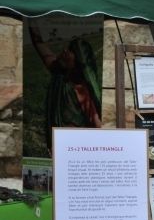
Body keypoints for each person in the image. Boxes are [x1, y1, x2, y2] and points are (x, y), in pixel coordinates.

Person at [28, 25, 103, 154]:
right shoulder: (59, 73)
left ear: (78, 62)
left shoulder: (81, 90)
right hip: (59, 147)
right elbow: (39, 44)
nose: (64, 51)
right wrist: (31, 19)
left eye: (70, 51)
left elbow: (98, 125)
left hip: (75, 149)